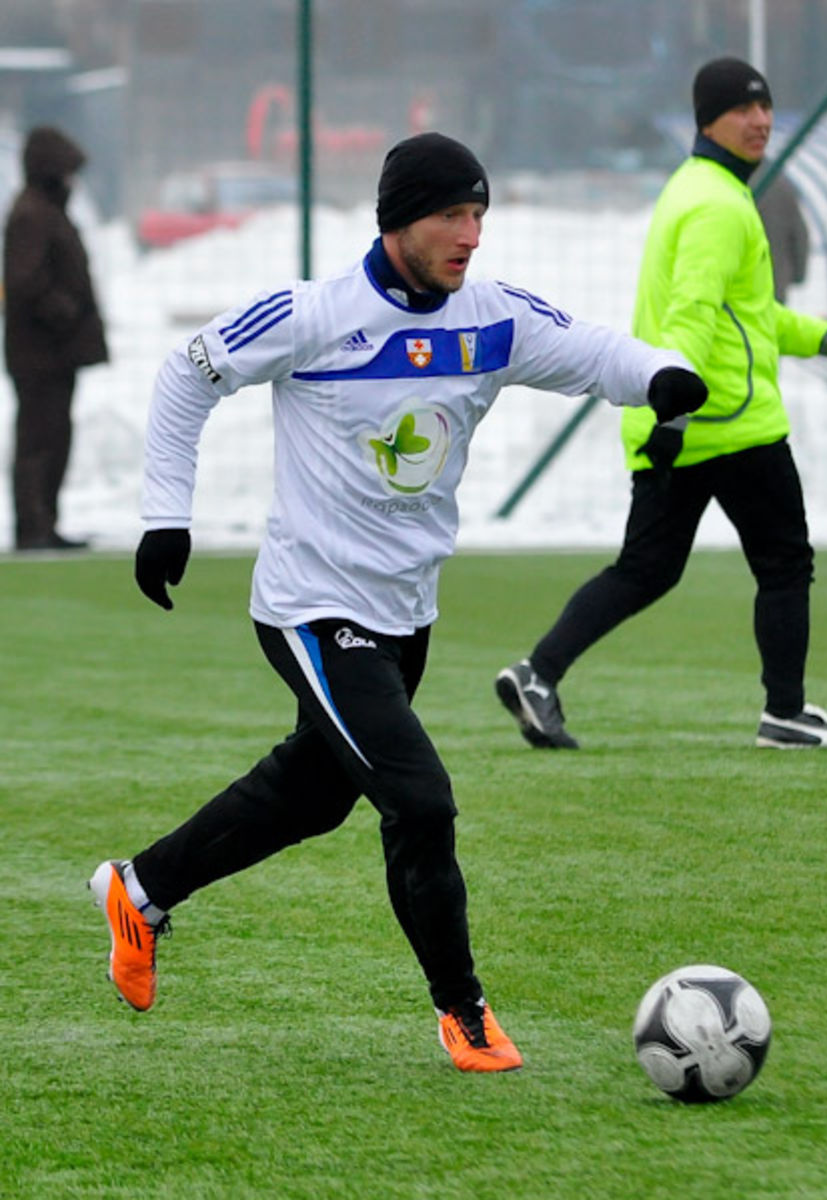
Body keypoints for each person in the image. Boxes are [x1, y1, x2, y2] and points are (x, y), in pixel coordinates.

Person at [89, 132, 707, 1070]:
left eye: (479, 214)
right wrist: (166, 517)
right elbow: (188, 373)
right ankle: (465, 1015)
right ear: (398, 222)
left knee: (315, 794)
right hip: (308, 606)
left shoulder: (490, 315)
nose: (471, 235)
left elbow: (588, 351)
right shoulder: (315, 314)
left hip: (404, 616)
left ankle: (139, 892)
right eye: (452, 215)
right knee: (419, 803)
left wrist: (659, 376)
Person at [496, 57, 827, 751]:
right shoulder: (717, 205)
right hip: (730, 424)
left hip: (683, 421)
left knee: (645, 571)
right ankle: (785, 713)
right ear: (709, 119)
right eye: (743, 110)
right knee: (785, 563)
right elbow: (693, 318)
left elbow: (750, 314)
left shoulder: (696, 188)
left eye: (765, 109)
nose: (760, 121)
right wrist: (674, 416)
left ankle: (538, 673)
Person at [4, 126, 108, 551]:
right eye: (66, 172)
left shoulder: (43, 210)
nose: (72, 181)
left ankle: (44, 521)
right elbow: (24, 280)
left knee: (52, 437)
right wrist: (64, 311)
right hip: (40, 354)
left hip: (52, 353)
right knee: (39, 441)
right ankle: (33, 527)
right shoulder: (32, 214)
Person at [755, 164, 810, 304]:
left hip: (734, 285)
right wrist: (797, 274)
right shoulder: (782, 183)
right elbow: (800, 235)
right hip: (776, 280)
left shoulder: (721, 183)